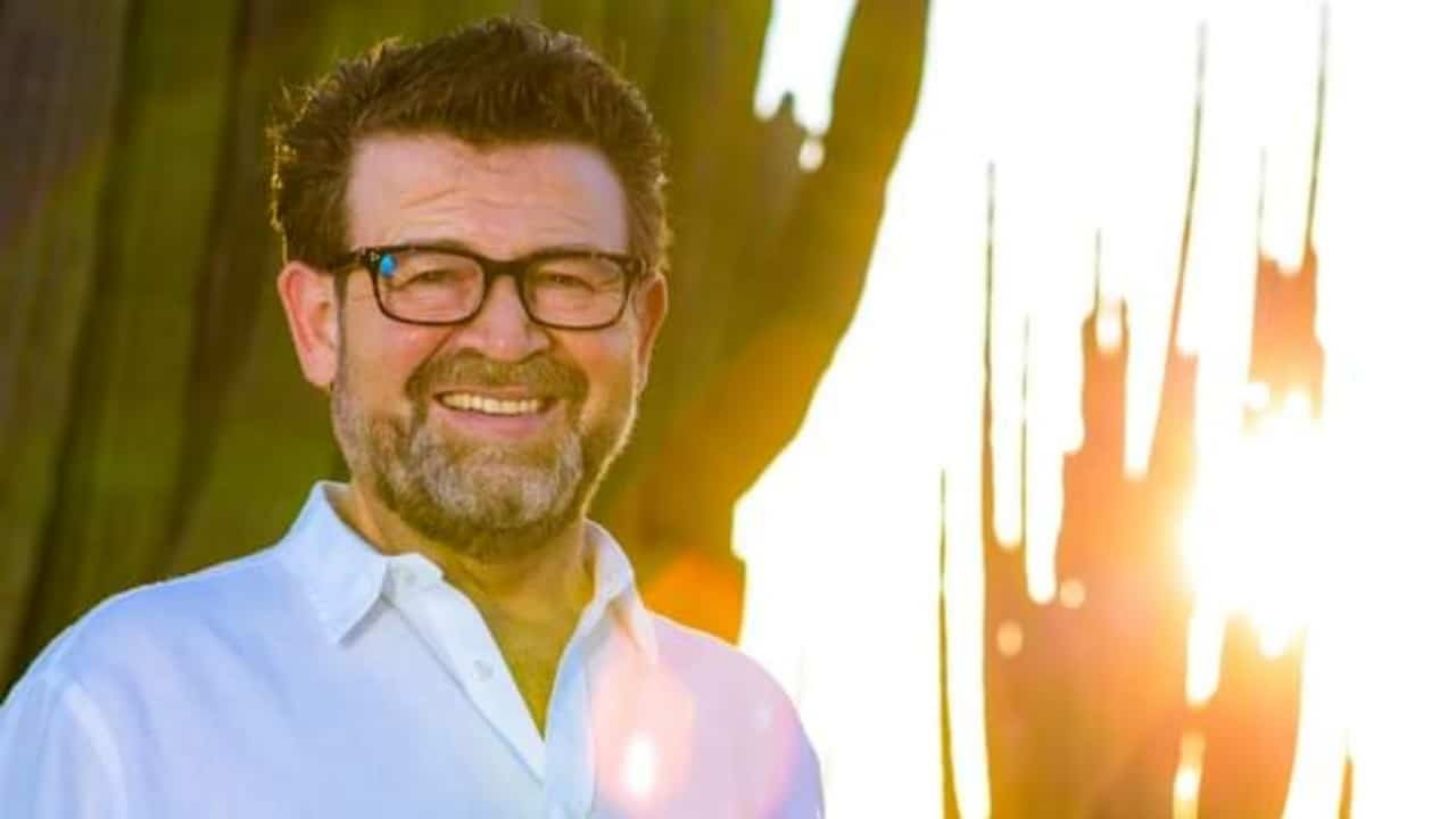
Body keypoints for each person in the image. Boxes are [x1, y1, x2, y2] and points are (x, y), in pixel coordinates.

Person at [0, 18, 822, 818]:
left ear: (642, 331)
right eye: (428, 274)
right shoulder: (119, 712)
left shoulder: (748, 735)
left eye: (569, 278)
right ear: (318, 324)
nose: (506, 338)